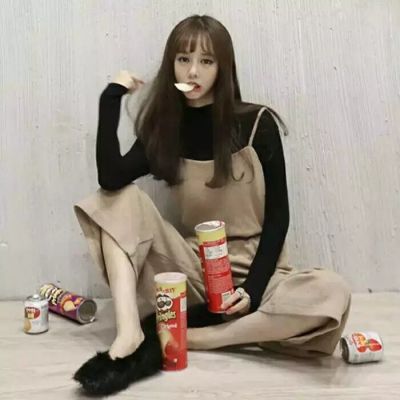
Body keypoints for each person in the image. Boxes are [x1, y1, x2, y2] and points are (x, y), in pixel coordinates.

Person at [72, 15, 351, 396]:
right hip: (194, 272)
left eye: (206, 61)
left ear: (223, 68)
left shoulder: (257, 123)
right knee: (116, 199)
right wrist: (111, 99)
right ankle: (130, 332)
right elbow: (111, 178)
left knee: (331, 291)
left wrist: (252, 290)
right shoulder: (164, 130)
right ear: (171, 65)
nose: (193, 71)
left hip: (258, 273)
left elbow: (278, 218)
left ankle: (195, 336)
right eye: (183, 59)